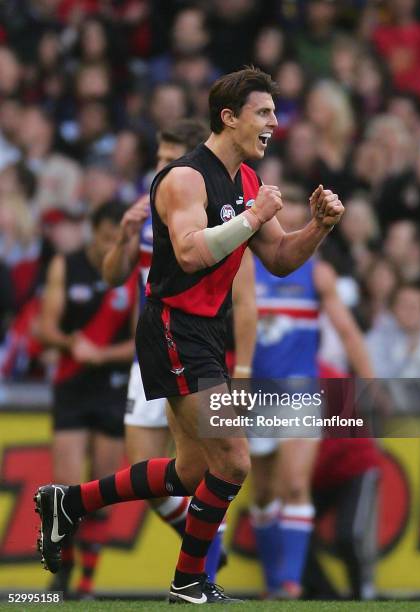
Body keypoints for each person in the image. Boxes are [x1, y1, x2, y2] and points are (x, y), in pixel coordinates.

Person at [34, 66, 344, 604]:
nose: (274, 123)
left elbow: (279, 260)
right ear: (229, 117)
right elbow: (189, 252)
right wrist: (253, 219)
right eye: (263, 113)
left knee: (192, 470)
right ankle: (188, 581)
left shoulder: (247, 180)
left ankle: (69, 503)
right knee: (235, 462)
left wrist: (318, 227)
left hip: (203, 331)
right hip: (174, 326)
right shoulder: (185, 178)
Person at [103, 118, 251, 582]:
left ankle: (201, 563)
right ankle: (201, 551)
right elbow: (112, 277)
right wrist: (124, 240)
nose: (161, 167)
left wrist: (243, 365)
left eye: (170, 159)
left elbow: (245, 297)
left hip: (191, 342)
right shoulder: (151, 208)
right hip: (151, 347)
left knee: (209, 465)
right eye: (158, 159)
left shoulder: (208, 204)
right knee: (181, 472)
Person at [249, 193, 374, 599]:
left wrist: (370, 383)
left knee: (295, 485)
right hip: (256, 395)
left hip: (301, 392)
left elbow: (348, 332)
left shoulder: (317, 275)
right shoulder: (245, 271)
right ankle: (273, 583)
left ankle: (289, 585)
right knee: (263, 493)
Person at [37, 201, 136, 597]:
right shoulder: (67, 264)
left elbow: (137, 342)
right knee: (64, 488)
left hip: (112, 386)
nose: (110, 247)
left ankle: (86, 585)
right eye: (105, 238)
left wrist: (103, 354)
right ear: (93, 233)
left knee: (102, 491)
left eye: (118, 239)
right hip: (72, 384)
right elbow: (44, 328)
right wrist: (69, 343)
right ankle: (63, 573)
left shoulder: (130, 274)